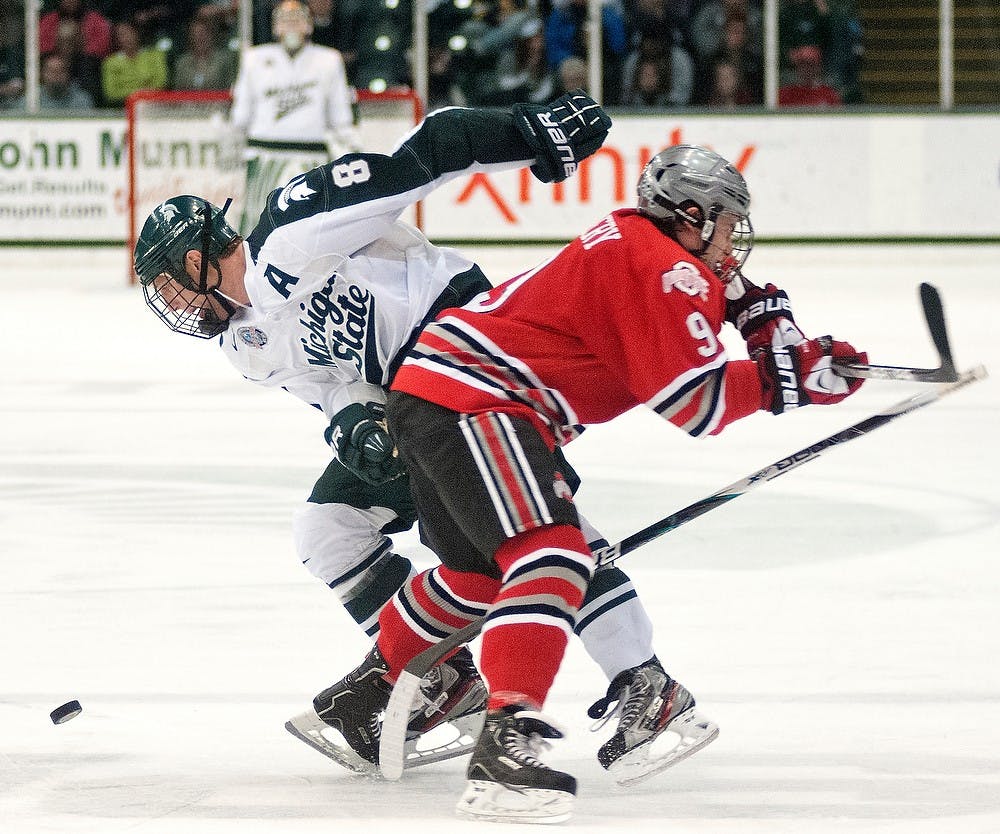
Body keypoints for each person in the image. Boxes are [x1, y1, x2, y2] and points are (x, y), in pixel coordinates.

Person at [134, 92, 701, 781]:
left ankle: (644, 679)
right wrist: (354, 424)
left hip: (473, 348)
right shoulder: (245, 343)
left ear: (196, 264)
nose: (176, 308)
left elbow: (428, 154)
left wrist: (530, 132)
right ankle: (445, 679)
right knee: (329, 527)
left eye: (171, 287)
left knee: (529, 534)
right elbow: (336, 385)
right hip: (412, 399)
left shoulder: (291, 232)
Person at [315, 144, 868, 823]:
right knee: (552, 559)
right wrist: (791, 378)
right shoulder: (666, 268)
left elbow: (710, 299)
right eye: (725, 223)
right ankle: (506, 741)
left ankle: (369, 692)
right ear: (690, 216)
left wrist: (765, 321)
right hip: (481, 399)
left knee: (478, 577)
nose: (732, 240)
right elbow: (696, 403)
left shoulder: (643, 243)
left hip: (431, 391)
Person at [230, 0, 358, 233]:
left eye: (297, 20)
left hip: (311, 155)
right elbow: (241, 115)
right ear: (275, 27)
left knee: (314, 225)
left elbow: (341, 117)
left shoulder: (329, 60)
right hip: (264, 155)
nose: (291, 26)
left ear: (309, 25)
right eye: (285, 21)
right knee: (258, 224)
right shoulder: (254, 59)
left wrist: (348, 148)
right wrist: (235, 146)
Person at [100, 18, 168, 107]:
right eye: (122, 35)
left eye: (130, 33)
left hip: (153, 105)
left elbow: (161, 82)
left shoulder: (155, 55)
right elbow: (111, 93)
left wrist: (129, 90)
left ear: (137, 33)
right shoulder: (110, 62)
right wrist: (139, 93)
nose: (127, 38)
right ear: (117, 39)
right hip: (122, 107)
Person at [778, 44, 842, 107]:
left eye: (811, 65)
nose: (806, 69)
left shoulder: (830, 95)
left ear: (818, 67)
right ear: (796, 68)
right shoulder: (784, 95)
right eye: (802, 65)